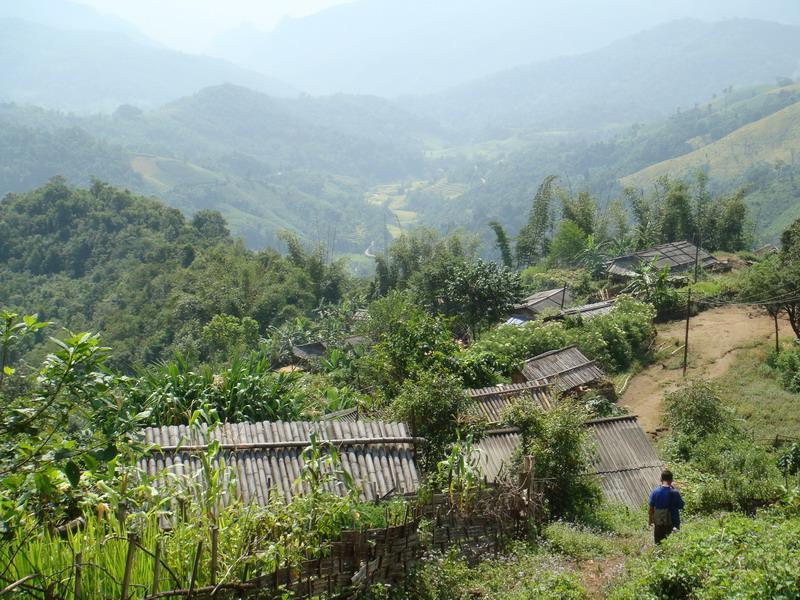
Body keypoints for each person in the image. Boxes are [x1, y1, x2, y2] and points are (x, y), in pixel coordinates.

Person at [648, 469, 684, 544]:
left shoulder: (655, 492)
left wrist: (650, 520)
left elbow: (651, 509)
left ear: (661, 479)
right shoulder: (675, 492)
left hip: (659, 523)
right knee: (673, 545)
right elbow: (681, 506)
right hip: (673, 524)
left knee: (658, 544)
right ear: (671, 480)